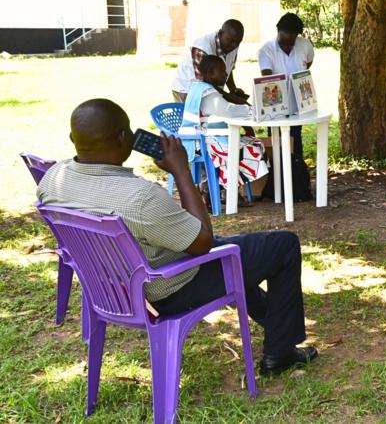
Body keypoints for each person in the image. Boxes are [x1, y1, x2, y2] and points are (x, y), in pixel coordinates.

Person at [37, 99, 316, 376]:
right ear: (124, 137)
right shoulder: (140, 198)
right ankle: (279, 353)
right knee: (283, 245)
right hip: (168, 288)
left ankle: (278, 332)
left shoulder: (52, 179)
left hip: (113, 288)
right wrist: (181, 171)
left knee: (238, 254)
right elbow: (202, 242)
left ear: (73, 138)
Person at [183, 55, 270, 193]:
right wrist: (252, 109)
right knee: (253, 149)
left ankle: (223, 187)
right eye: (222, 71)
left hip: (203, 137)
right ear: (211, 73)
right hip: (202, 142)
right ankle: (219, 187)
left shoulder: (200, 87)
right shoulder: (207, 93)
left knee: (255, 143)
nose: (226, 74)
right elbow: (228, 111)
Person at [259, 12, 315, 155]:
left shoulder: (305, 45)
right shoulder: (266, 50)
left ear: (297, 35)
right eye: (283, 42)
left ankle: (296, 171)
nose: (287, 46)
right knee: (275, 139)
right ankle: (275, 175)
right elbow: (267, 78)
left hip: (298, 102)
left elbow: (307, 64)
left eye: (291, 42)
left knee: (295, 137)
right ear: (278, 31)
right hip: (275, 102)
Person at [171, 19, 247, 104]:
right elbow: (205, 82)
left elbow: (228, 67)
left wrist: (233, 90)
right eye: (231, 40)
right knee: (194, 116)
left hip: (211, 89)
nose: (234, 45)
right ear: (221, 33)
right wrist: (229, 97)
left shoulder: (233, 42)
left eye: (238, 42)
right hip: (187, 90)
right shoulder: (202, 48)